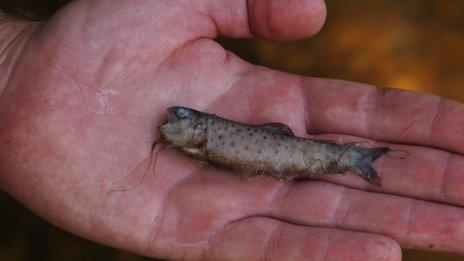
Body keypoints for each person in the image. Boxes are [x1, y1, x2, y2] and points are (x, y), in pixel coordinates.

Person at [0, 0, 463, 260]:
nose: (171, 123)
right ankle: (353, 160)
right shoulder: (199, 141)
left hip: (288, 154)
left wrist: (12, 62)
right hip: (282, 154)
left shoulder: (199, 141)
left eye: (180, 119)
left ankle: (355, 160)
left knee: (313, 159)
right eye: (180, 120)